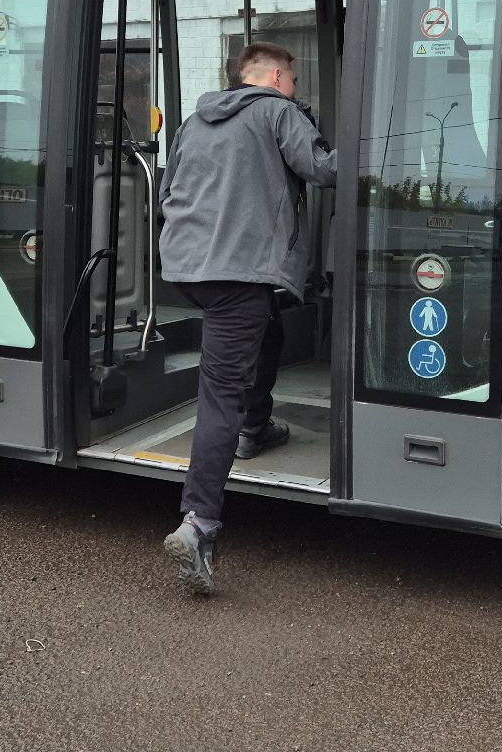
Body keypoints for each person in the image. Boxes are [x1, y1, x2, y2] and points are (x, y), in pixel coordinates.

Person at [156, 42, 336, 594]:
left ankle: (257, 427)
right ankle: (199, 523)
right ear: (278, 77)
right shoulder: (278, 111)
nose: (296, 89)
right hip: (237, 273)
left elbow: (167, 190)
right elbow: (323, 169)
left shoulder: (193, 122)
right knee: (221, 394)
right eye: (295, 80)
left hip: (187, 268)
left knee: (267, 329)